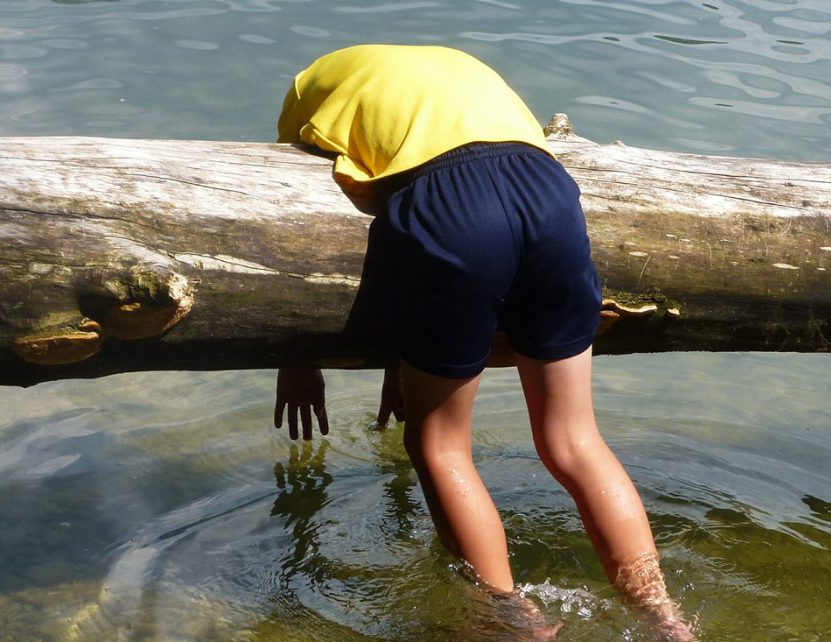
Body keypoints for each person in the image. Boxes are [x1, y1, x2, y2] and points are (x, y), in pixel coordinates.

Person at [272, 44, 693, 639]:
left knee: (441, 447)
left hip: (449, 205)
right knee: (574, 439)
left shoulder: (306, 86)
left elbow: (302, 226)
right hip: (549, 193)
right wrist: (407, 360)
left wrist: (296, 357)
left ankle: (514, 625)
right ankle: (668, 623)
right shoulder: (465, 67)